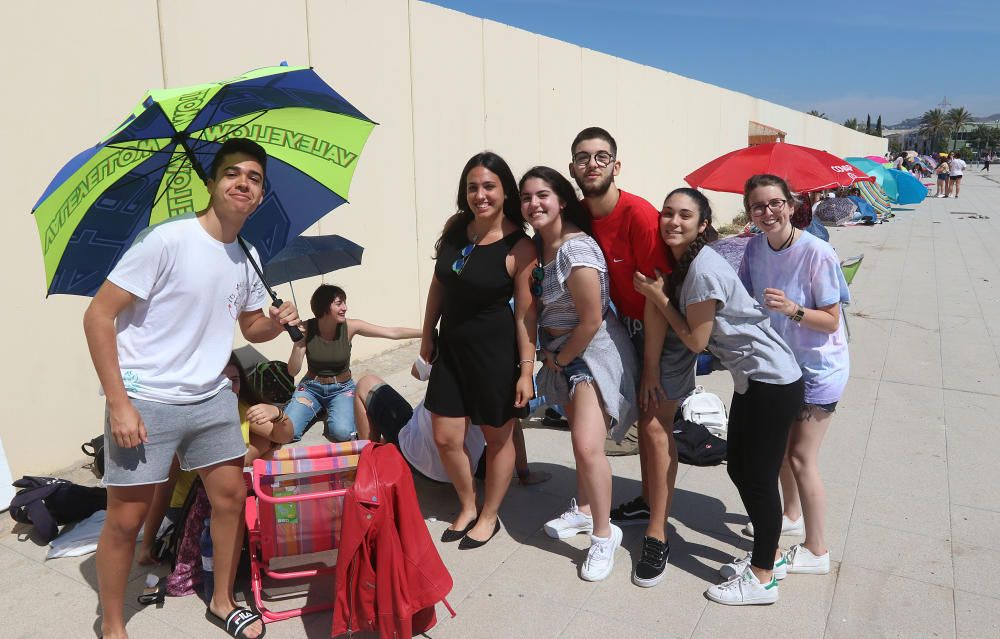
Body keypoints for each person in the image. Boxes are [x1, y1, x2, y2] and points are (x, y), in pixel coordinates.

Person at [84, 138, 297, 638]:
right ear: (211, 183)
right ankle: (112, 624)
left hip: (211, 399)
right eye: (231, 174)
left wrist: (277, 321)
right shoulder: (167, 240)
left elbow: (249, 329)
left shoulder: (247, 254)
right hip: (148, 401)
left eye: (254, 178)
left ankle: (222, 601)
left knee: (228, 499)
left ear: (260, 195)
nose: (243, 183)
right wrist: (119, 403)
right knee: (125, 521)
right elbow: (98, 315)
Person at [633, 186, 803, 605]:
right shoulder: (690, 264)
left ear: (702, 224)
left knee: (757, 478)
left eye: (685, 215)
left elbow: (694, 341)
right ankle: (772, 556)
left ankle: (762, 578)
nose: (674, 221)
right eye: (667, 213)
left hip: (772, 381)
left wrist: (657, 297)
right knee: (741, 470)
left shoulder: (703, 270)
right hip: (755, 380)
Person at [568, 127, 696, 587]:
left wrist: (651, 366)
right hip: (629, 325)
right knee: (644, 422)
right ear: (573, 169)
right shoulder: (579, 214)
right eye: (583, 158)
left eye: (602, 157)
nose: (593, 164)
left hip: (666, 327)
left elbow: (658, 298)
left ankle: (658, 535)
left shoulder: (638, 215)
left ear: (616, 166)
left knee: (656, 426)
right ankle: (648, 498)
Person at [521, 166, 637, 581]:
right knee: (579, 443)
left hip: (591, 354)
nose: (534, 204)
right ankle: (587, 510)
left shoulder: (576, 250)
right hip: (565, 354)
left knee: (588, 447)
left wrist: (558, 360)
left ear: (562, 200)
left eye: (542, 195)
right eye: (527, 198)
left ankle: (605, 536)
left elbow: (590, 321)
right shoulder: (542, 246)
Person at [421, 151, 536, 549]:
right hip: (451, 351)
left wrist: (525, 371)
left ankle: (490, 515)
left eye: (489, 186)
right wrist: (426, 334)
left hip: (494, 356)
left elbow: (524, 315)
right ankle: (468, 504)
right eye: (473, 187)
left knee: (497, 438)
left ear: (505, 192)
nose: (480, 195)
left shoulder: (519, 246)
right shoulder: (457, 230)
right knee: (446, 436)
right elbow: (440, 284)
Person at [737, 174, 850, 578]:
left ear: (790, 204)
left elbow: (831, 321)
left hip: (819, 369)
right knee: (781, 451)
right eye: (757, 206)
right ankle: (790, 514)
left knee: (802, 458)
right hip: (780, 368)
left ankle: (817, 550)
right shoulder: (754, 248)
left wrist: (793, 309)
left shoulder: (817, 252)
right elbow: (747, 299)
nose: (767, 213)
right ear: (748, 211)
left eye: (774, 204)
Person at [137, 355, 294, 566]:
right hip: (190, 507)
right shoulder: (190, 419)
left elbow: (284, 436)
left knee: (281, 509)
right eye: (219, 381)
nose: (228, 388)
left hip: (228, 501)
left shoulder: (239, 407)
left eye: (234, 380)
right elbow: (165, 487)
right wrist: (148, 544)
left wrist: (277, 414)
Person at [284, 284, 420, 442]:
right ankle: (319, 408)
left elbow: (392, 332)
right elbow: (293, 371)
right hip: (311, 388)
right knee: (287, 433)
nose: (345, 307)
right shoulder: (306, 328)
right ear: (324, 305)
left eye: (344, 302)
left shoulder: (350, 327)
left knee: (341, 433)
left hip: (341, 389)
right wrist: (299, 343)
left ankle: (328, 408)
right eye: (339, 303)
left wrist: (426, 332)